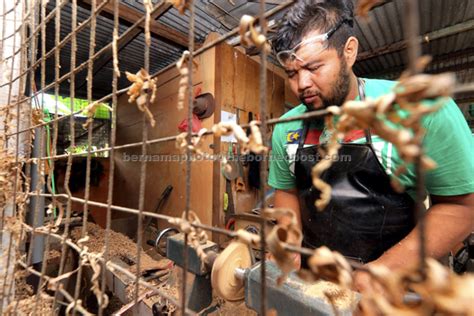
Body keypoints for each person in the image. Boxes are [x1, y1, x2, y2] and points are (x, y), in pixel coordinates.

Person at [268, 0, 474, 290]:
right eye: (291, 73)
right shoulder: (286, 128)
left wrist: (377, 273)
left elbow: (462, 208)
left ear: (349, 51)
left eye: (313, 67)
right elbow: (286, 191)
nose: (301, 84)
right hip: (317, 282)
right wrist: (289, 251)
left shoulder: (419, 110)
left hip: (397, 284)